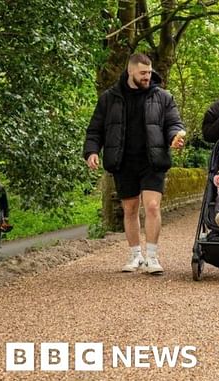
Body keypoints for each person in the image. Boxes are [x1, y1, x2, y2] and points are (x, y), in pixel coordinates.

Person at [83, 53, 186, 275]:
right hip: (123, 160)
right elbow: (95, 129)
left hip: (153, 160)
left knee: (152, 206)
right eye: (143, 73)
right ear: (130, 71)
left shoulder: (163, 97)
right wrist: (91, 151)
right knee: (129, 209)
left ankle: (152, 256)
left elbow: (173, 123)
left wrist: (176, 136)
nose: (147, 77)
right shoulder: (109, 98)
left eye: (149, 73)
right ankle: (135, 255)